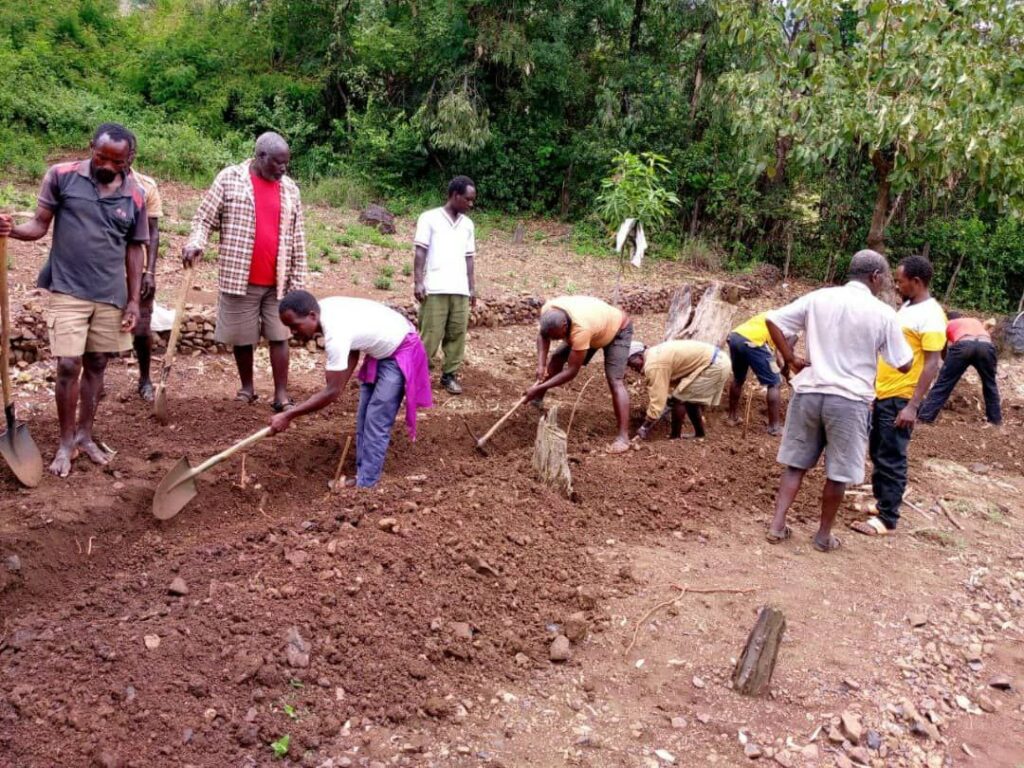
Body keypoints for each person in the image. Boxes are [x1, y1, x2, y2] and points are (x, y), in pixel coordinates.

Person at [0, 123, 147, 477]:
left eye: (117, 160)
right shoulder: (61, 176)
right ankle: (65, 443)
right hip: (68, 287)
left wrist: (133, 301)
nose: (108, 166)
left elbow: (134, 250)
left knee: (97, 363)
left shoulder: (136, 194)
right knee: (68, 364)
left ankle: (85, 436)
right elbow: (39, 225)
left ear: (129, 159)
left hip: (110, 294)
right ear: (90, 148)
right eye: (101, 157)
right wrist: (12, 231)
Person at [764, 250, 913, 553]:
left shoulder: (819, 298)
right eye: (884, 278)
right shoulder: (883, 313)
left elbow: (772, 320)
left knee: (795, 465)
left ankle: (776, 526)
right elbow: (904, 363)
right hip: (848, 401)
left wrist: (791, 357)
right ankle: (822, 536)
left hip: (809, 392)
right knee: (839, 472)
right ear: (875, 277)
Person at [183, 132, 307, 411]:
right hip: (239, 276)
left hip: (278, 280)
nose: (283, 169)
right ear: (260, 157)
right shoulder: (230, 179)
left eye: (286, 163)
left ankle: (281, 395)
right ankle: (247, 388)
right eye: (278, 163)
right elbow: (204, 218)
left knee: (279, 335)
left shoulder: (290, 190)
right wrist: (195, 243)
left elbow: (298, 237)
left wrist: (298, 282)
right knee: (242, 337)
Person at [269, 291, 432, 488]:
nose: (293, 332)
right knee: (364, 417)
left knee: (377, 420)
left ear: (312, 316)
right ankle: (364, 477)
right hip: (381, 351)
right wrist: (339, 382)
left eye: (294, 326)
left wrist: (289, 415)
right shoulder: (323, 309)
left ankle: (366, 485)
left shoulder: (335, 333)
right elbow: (353, 348)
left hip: (401, 349)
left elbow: (332, 392)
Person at [851, 255, 946, 537]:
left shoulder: (931, 315)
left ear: (916, 282)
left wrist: (913, 406)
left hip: (902, 398)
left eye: (901, 280)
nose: (897, 284)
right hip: (885, 393)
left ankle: (888, 518)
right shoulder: (908, 307)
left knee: (892, 455)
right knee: (878, 451)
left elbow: (933, 363)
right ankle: (882, 503)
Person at [526, 295, 633, 453]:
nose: (557, 340)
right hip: (596, 326)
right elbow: (543, 335)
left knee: (614, 380)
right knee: (556, 358)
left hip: (618, 330)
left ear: (564, 326)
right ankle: (537, 400)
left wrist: (537, 386)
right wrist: (541, 365)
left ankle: (623, 438)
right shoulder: (548, 310)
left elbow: (571, 371)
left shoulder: (581, 329)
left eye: (558, 336)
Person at [414, 176, 477, 394]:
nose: (471, 204)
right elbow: (420, 250)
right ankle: (419, 378)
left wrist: (472, 287)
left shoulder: (468, 225)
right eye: (468, 199)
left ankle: (449, 375)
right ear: (455, 195)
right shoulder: (429, 218)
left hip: (459, 289)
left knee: (457, 335)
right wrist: (418, 281)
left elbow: (469, 258)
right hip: (436, 288)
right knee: (430, 335)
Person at [628, 340, 732, 440]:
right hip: (718, 360)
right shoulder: (653, 354)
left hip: (714, 365)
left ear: (638, 356)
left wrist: (644, 427)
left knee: (680, 399)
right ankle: (699, 434)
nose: (631, 368)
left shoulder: (653, 365)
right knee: (689, 400)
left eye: (630, 363)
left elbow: (657, 400)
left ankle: (675, 437)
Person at [917, 312, 1002, 426]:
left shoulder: (946, 324)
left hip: (963, 345)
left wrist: (948, 366)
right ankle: (995, 420)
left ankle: (925, 418)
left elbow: (942, 348)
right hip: (986, 346)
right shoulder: (974, 320)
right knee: (989, 384)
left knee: (944, 384)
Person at [129, 160, 163, 401]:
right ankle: (94, 383)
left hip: (137, 270)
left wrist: (150, 272)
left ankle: (144, 379)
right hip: (102, 270)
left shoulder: (145, 186)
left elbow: (153, 231)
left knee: (141, 330)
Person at [726, 312, 792, 435]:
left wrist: (782, 368)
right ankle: (774, 427)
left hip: (735, 337)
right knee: (775, 383)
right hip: (753, 342)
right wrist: (787, 373)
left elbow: (776, 352)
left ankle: (732, 417)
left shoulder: (772, 314)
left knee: (738, 378)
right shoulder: (792, 324)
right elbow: (786, 353)